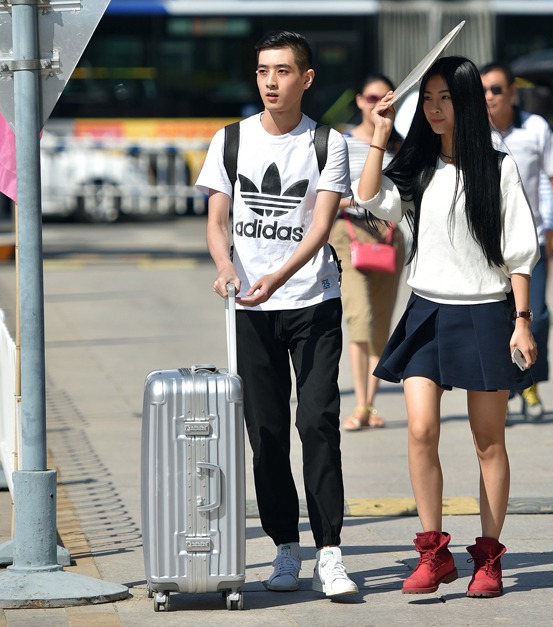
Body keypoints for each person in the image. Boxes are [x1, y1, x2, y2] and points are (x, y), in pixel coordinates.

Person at [353, 56, 539, 598]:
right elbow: (369, 198)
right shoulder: (417, 166)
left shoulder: (499, 167)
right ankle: (433, 555)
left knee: (488, 442)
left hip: (486, 312)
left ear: (466, 102)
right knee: (419, 430)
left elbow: (520, 253)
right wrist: (381, 135)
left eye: (444, 99)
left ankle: (488, 559)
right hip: (427, 310)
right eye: (427, 99)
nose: (434, 109)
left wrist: (521, 322)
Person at [197, 30, 358, 597]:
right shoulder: (230, 140)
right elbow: (218, 221)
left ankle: (331, 552)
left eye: (283, 71)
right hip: (250, 308)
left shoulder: (327, 144)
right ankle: (285, 547)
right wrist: (226, 267)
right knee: (264, 433)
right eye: (264, 70)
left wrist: (280, 276)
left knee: (316, 422)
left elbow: (321, 226)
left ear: (306, 79)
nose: (271, 81)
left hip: (311, 301)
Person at [479, 62, 553, 422]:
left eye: (495, 89)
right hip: (486, 247)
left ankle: (530, 383)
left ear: (511, 92)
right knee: (498, 321)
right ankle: (506, 390)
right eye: (482, 90)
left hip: (530, 244)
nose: (488, 96)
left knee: (535, 318)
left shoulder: (534, 128)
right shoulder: (472, 129)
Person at [332, 73, 406, 432]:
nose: (376, 104)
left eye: (384, 99)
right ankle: (361, 404)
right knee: (359, 318)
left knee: (380, 324)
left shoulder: (401, 146)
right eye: (370, 98)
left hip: (390, 236)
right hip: (348, 232)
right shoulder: (341, 143)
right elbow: (327, 195)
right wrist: (362, 200)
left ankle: (368, 404)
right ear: (360, 100)